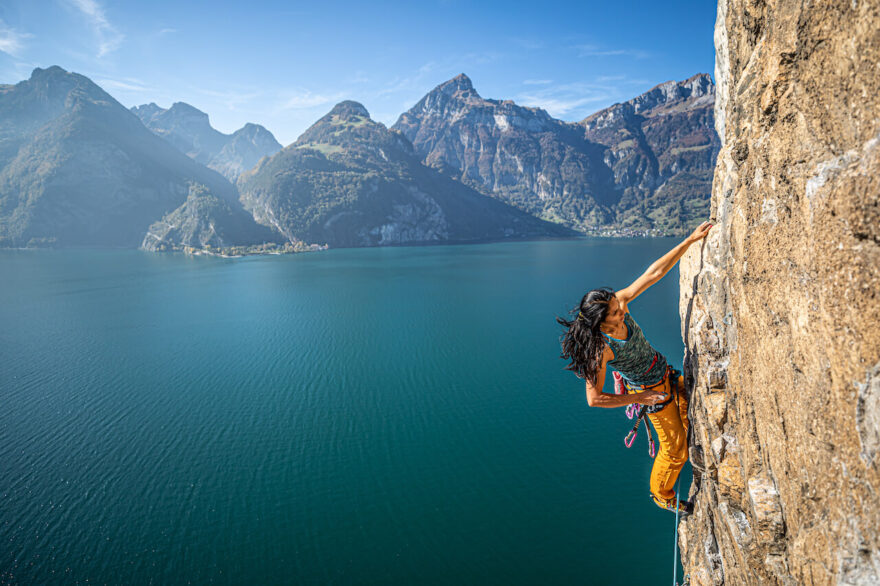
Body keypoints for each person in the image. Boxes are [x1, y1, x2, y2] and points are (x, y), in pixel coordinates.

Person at [557, 221, 712, 515]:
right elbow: (594, 399)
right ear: (602, 322)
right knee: (675, 450)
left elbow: (652, 274)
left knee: (691, 424)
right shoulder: (600, 350)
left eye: (618, 304)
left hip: (664, 375)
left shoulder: (620, 303)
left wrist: (690, 240)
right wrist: (638, 399)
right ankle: (661, 494)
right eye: (616, 311)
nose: (623, 307)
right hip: (651, 394)